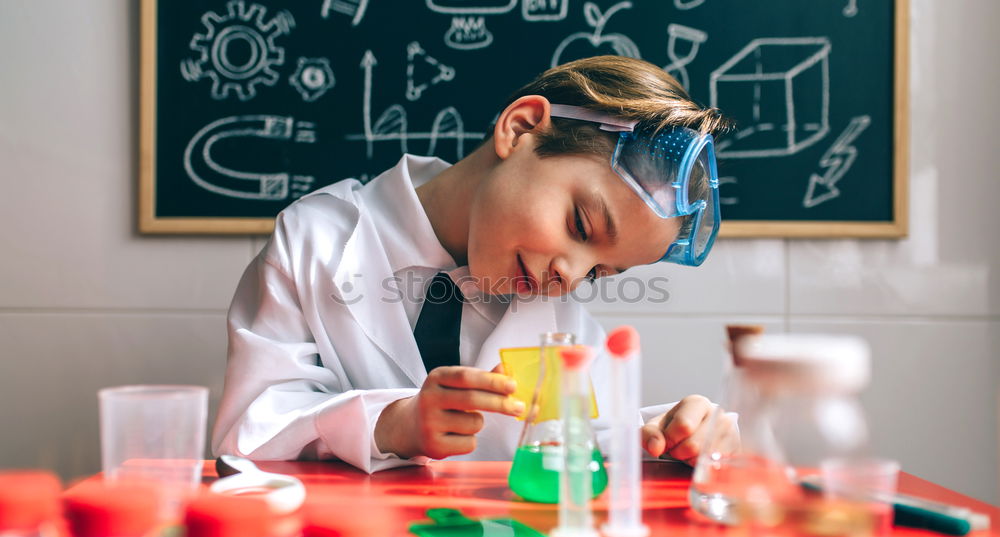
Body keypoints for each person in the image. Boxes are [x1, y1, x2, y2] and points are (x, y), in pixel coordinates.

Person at [212, 55, 740, 473]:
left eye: (601, 273)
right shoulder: (315, 239)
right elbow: (245, 437)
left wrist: (671, 437)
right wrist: (388, 426)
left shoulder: (559, 323)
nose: (572, 277)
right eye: (580, 225)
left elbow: (585, 450)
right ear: (522, 126)